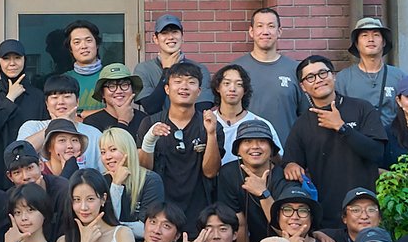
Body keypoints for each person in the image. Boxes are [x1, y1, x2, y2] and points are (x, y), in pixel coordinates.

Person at [283, 54, 385, 223]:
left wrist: (342, 128)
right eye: (310, 77)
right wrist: (291, 165)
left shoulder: (362, 108)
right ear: (303, 86)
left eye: (323, 73)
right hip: (328, 216)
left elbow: (377, 152)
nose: (318, 80)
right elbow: (290, 161)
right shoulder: (302, 124)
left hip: (366, 212)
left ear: (333, 76)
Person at [144, 60, 219, 225]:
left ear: (199, 91)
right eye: (178, 82)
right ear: (167, 89)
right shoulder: (151, 123)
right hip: (160, 211)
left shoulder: (210, 124)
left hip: (199, 211)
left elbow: (210, 172)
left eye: (191, 82)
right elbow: (144, 169)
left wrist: (211, 134)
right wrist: (149, 139)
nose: (184, 87)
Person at [214, 117, 290, 242]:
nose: (255, 146)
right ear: (238, 150)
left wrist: (263, 193)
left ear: (272, 150)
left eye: (262, 141)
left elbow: (287, 230)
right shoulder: (228, 173)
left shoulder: (285, 177)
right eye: (247, 141)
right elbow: (239, 224)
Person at [230, 7, 301, 142]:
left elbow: (304, 115)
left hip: (286, 149)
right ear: (251, 31)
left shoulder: (295, 70)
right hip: (245, 148)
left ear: (279, 31)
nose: (265, 31)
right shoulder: (235, 70)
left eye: (271, 26)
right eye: (260, 26)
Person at [0, 38, 43, 178]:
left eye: (17, 58)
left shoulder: (37, 95)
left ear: (25, 60)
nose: (12, 63)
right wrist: (10, 98)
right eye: (6, 58)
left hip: (30, 169)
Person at [338, 16, 408, 127]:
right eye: (364, 35)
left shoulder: (399, 76)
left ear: (384, 42)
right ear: (356, 44)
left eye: (376, 35)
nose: (371, 39)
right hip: (356, 135)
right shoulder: (343, 79)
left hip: (391, 135)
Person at [206, 63, 277, 159]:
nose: (232, 89)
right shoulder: (208, 122)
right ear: (218, 88)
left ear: (245, 90)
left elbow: (277, 160)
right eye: (226, 83)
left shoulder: (260, 123)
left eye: (239, 84)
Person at [97, 127, 165, 226]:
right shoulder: (100, 181)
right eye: (103, 152)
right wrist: (116, 185)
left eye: (113, 149)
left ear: (127, 150)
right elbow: (106, 220)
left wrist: (116, 228)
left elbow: (148, 227)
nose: (107, 157)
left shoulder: (151, 180)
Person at [136, 13, 190, 116]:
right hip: (156, 125)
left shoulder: (198, 69)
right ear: (155, 39)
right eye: (164, 33)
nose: (170, 37)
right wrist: (167, 71)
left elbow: (201, 107)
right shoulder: (143, 69)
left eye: (175, 32)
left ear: (182, 36)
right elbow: (151, 108)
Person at [57, 18, 109, 113]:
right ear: (70, 49)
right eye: (77, 42)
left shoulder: (110, 76)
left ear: (97, 44)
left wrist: (83, 115)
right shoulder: (64, 80)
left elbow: (120, 111)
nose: (84, 46)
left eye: (88, 40)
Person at [86, 64, 152, 138]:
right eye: (111, 86)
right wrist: (123, 122)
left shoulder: (144, 119)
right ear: (102, 93)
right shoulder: (92, 123)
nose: (119, 91)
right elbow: (114, 145)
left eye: (124, 85)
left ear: (132, 90)